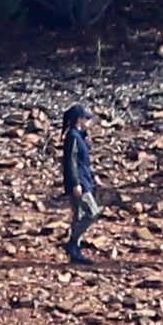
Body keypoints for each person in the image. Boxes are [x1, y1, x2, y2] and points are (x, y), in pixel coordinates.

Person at [52, 104, 103, 264]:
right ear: (78, 119)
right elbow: (71, 161)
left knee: (79, 215)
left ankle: (75, 252)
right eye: (86, 118)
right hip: (79, 181)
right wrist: (75, 183)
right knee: (92, 212)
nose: (88, 121)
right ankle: (72, 242)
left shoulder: (79, 135)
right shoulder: (73, 136)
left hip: (84, 179)